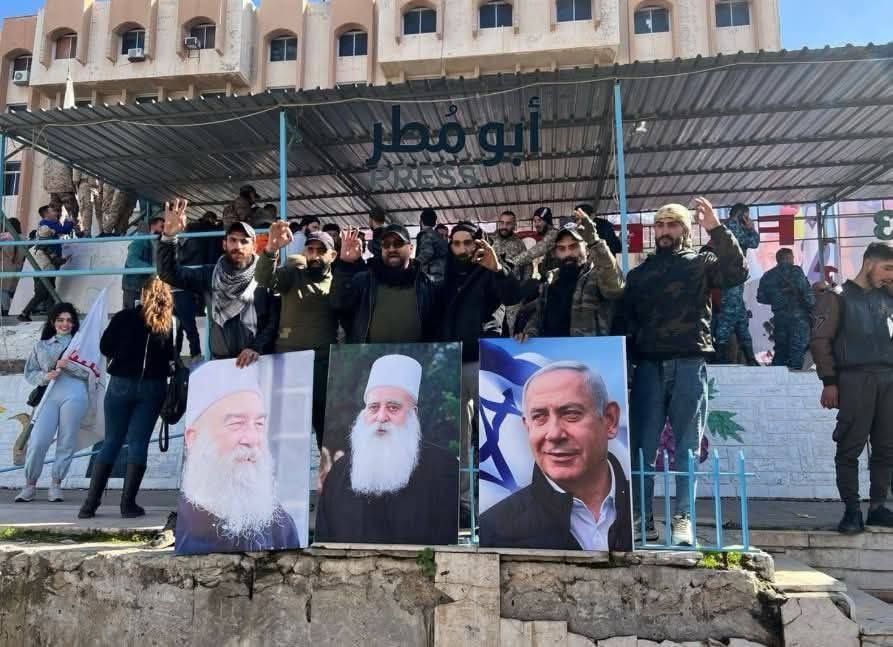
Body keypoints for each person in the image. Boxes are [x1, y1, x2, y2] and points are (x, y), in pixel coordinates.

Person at [625, 198, 748, 545]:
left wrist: (715, 228)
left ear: (686, 229)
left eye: (673, 224)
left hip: (690, 363)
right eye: (660, 225)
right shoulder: (640, 274)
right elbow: (627, 321)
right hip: (648, 366)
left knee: (686, 448)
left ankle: (683, 520)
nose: (665, 231)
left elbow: (738, 271)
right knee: (642, 450)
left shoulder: (702, 262)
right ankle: (642, 520)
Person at [480, 362, 631, 551]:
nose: (554, 434)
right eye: (539, 417)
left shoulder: (639, 509)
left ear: (610, 420)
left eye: (571, 414)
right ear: (527, 427)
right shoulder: (495, 528)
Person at [315, 354, 458, 544]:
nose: (381, 417)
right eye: (374, 407)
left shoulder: (444, 468)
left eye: (393, 407)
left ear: (413, 413)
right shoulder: (340, 471)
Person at [439, 221, 521, 521]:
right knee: (459, 438)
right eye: (456, 243)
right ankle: (463, 504)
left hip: (485, 364)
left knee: (492, 436)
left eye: (467, 242)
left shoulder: (493, 268)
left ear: (478, 242)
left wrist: (496, 268)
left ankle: (497, 503)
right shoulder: (445, 275)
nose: (461, 249)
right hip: (453, 363)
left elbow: (513, 295)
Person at [810, 241, 893, 534]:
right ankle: (851, 510)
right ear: (869, 263)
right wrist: (829, 382)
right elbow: (820, 342)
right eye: (887, 268)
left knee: (887, 446)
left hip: (888, 378)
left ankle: (878, 507)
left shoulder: (887, 296)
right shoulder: (837, 297)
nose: (890, 275)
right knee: (849, 447)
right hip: (854, 379)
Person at [176, 362, 300, 554]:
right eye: (235, 424)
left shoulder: (282, 525)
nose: (252, 439)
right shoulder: (184, 527)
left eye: (259, 424)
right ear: (193, 437)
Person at [77, 278, 175, 519]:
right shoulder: (170, 323)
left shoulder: (123, 317)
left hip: (121, 383)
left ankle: (89, 505)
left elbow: (105, 346)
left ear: (142, 293)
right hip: (153, 387)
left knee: (111, 441)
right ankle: (127, 505)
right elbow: (174, 357)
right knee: (138, 443)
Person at [157, 199, 278, 364]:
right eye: (233, 240)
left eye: (244, 241)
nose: (238, 246)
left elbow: (273, 321)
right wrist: (169, 237)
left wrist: (256, 347)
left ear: (254, 246)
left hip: (258, 362)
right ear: (224, 244)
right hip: (222, 364)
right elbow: (168, 273)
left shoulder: (264, 276)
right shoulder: (210, 274)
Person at [257, 222, 339, 447]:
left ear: (332, 255)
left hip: (324, 369)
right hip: (289, 367)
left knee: (327, 437)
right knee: (289, 438)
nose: (314, 255)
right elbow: (265, 278)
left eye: (320, 251)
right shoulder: (291, 276)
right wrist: (271, 249)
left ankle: (327, 481)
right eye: (310, 250)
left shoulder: (337, 283)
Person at [15, 303, 89, 503]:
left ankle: (56, 484)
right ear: (53, 322)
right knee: (38, 441)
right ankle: (30, 484)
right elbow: (29, 372)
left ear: (74, 324)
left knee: (66, 441)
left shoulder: (81, 345)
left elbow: (92, 374)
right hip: (48, 395)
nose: (65, 324)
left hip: (74, 393)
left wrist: (69, 367)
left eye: (69, 320)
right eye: (60, 320)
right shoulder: (41, 345)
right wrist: (45, 376)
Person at [518, 212, 624, 341]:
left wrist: (595, 242)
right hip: (552, 357)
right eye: (562, 248)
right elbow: (539, 316)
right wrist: (529, 333)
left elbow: (614, 288)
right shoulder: (550, 282)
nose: (568, 253)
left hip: (590, 357)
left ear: (586, 247)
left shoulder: (597, 276)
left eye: (573, 246)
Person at [332, 224, 440, 343]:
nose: (392, 249)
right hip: (369, 359)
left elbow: (435, 327)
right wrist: (345, 264)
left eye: (398, 243)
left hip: (414, 359)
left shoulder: (425, 283)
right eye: (386, 244)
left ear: (411, 248)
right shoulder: (364, 280)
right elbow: (339, 304)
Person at [713, 203, 761, 365]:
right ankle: (719, 357)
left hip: (735, 280)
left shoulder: (726, 226)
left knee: (741, 320)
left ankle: (750, 358)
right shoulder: (731, 226)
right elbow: (753, 242)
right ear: (741, 215)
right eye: (747, 216)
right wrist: (751, 227)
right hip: (731, 280)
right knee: (727, 318)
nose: (748, 219)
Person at [757, 248, 815, 370]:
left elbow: (761, 298)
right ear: (789, 258)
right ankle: (795, 382)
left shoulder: (768, 275)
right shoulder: (796, 271)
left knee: (781, 352)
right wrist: (813, 309)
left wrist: (777, 300)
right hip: (798, 320)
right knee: (797, 352)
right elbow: (807, 294)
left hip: (779, 320)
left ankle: (776, 381)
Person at [19, 205, 74, 322]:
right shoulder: (47, 224)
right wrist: (69, 222)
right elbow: (63, 230)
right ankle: (25, 313)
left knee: (49, 289)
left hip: (46, 262)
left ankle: (51, 316)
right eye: (53, 211)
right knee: (44, 291)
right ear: (46, 214)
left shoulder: (46, 224)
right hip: (46, 263)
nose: (56, 212)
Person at [490, 210, 529, 334]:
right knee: (493, 329)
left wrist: (522, 287)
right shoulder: (490, 241)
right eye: (502, 222)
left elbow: (528, 266)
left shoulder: (519, 244)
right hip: (493, 294)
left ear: (514, 225)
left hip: (513, 296)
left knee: (512, 329)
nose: (504, 226)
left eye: (508, 223)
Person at [122, 216, 164, 310]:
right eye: (161, 227)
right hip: (134, 287)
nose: (163, 230)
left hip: (144, 286)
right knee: (132, 316)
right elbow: (131, 261)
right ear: (152, 226)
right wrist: (152, 269)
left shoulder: (154, 241)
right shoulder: (141, 241)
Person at [512, 206, 559, 278]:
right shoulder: (546, 236)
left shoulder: (553, 234)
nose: (536, 224)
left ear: (547, 221)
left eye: (539, 220)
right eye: (535, 221)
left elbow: (534, 251)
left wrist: (512, 262)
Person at [0, 217, 26, 316]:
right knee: (13, 290)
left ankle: (5, 311)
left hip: (5, 267)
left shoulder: (3, 238)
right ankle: (16, 309)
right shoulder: (24, 238)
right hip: (18, 267)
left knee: (3, 290)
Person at [414, 207, 448, 283]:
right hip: (441, 274)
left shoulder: (426, 235)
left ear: (421, 221)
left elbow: (427, 252)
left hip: (431, 276)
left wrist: (414, 263)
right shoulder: (438, 236)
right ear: (434, 223)